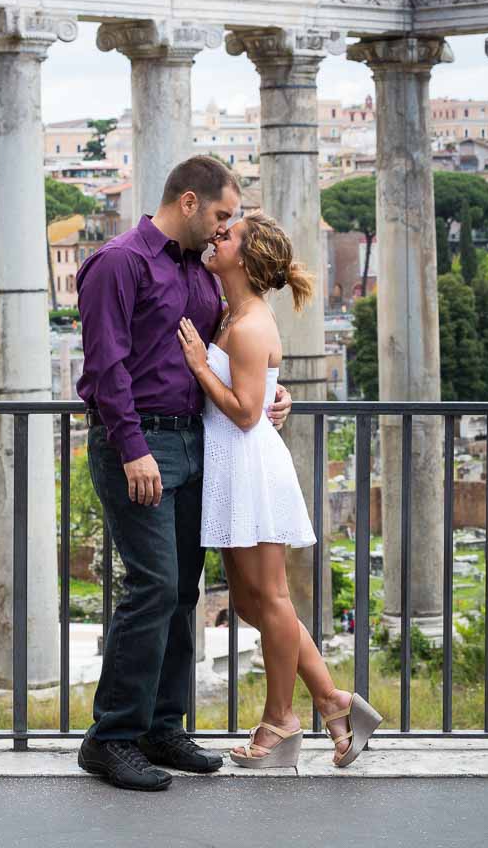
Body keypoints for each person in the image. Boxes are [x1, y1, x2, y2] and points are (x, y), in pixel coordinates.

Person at [75, 156, 293, 792]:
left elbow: (231, 360)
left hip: (196, 443)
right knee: (152, 587)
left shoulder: (198, 275)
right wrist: (133, 447)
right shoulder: (120, 261)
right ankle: (110, 737)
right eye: (223, 215)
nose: (227, 230)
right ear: (191, 202)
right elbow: (107, 366)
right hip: (138, 444)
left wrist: (277, 396)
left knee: (183, 593)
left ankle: (161, 727)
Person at [177, 210, 382, 769]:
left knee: (269, 600)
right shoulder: (233, 314)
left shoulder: (247, 323)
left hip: (248, 467)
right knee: (250, 600)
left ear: (243, 257)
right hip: (234, 467)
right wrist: (267, 388)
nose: (216, 238)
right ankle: (334, 702)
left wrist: (200, 367)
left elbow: (245, 414)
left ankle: (281, 722)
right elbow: (257, 390)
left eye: (227, 235)